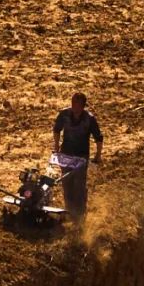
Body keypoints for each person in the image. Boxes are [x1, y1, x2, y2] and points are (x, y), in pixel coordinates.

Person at [51, 92, 103, 220]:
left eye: (78, 103)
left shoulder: (89, 119)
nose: (75, 106)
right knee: (66, 183)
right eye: (73, 102)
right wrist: (56, 146)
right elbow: (57, 130)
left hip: (81, 157)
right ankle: (69, 211)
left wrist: (98, 155)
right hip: (66, 154)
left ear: (83, 106)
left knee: (79, 185)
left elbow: (98, 138)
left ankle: (80, 215)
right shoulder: (64, 115)